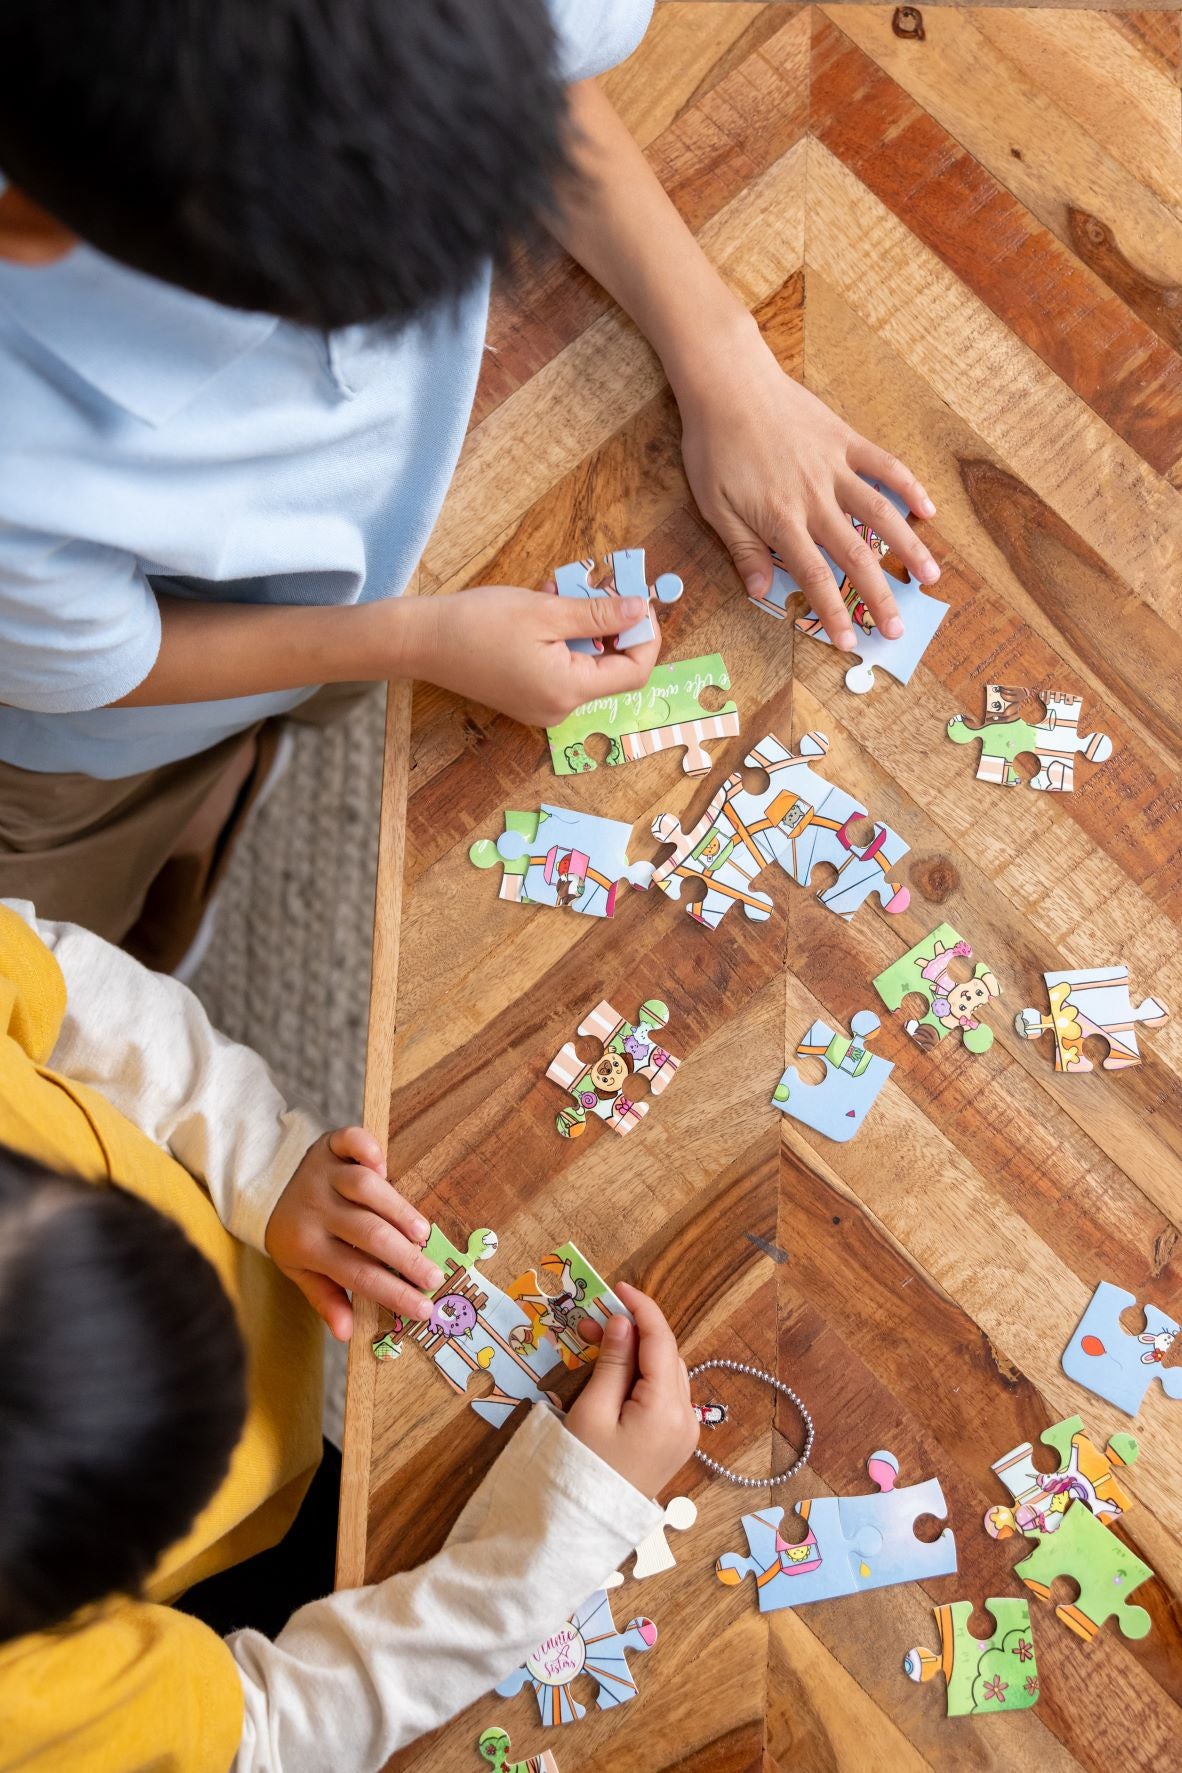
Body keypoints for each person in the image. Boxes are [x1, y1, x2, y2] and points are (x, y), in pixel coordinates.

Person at [0, 0, 940, 964]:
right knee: (69, 967)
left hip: (362, 580)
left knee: (262, 741)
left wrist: (722, 357)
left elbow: (533, 84)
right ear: (32, 224)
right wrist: (414, 639)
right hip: (80, 739)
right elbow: (115, 664)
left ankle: (230, 780)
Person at [0, 898, 699, 1770]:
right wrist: (562, 1533)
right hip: (204, 1597)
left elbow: (54, 983)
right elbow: (274, 1734)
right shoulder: (30, 1715)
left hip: (281, 1457)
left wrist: (266, 1161)